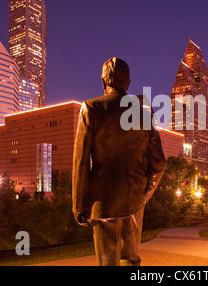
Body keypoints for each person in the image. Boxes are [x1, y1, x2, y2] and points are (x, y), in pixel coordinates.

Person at [72, 57, 166, 266]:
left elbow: (81, 163)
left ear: (104, 81)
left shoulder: (91, 109)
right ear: (128, 83)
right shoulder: (143, 114)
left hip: (103, 202)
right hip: (135, 201)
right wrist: (145, 193)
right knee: (132, 261)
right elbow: (158, 164)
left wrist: (78, 205)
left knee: (108, 263)